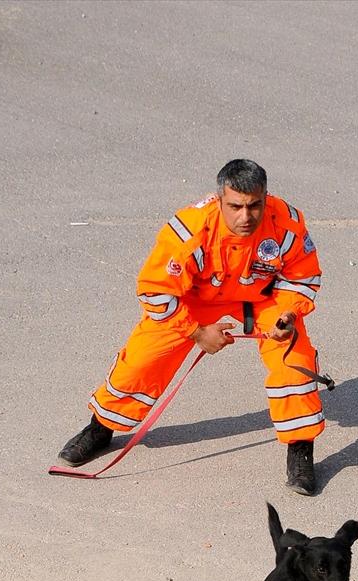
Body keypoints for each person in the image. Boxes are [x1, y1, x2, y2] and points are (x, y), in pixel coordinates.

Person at [58, 159, 330, 495]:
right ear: (219, 201)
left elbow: (303, 276)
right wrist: (197, 332)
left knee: (295, 362)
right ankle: (101, 429)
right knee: (142, 362)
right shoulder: (189, 229)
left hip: (262, 302)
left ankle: (300, 448)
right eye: (235, 207)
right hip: (194, 302)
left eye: (254, 206)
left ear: (265, 198)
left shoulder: (287, 223)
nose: (245, 217)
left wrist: (287, 316)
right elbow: (155, 291)